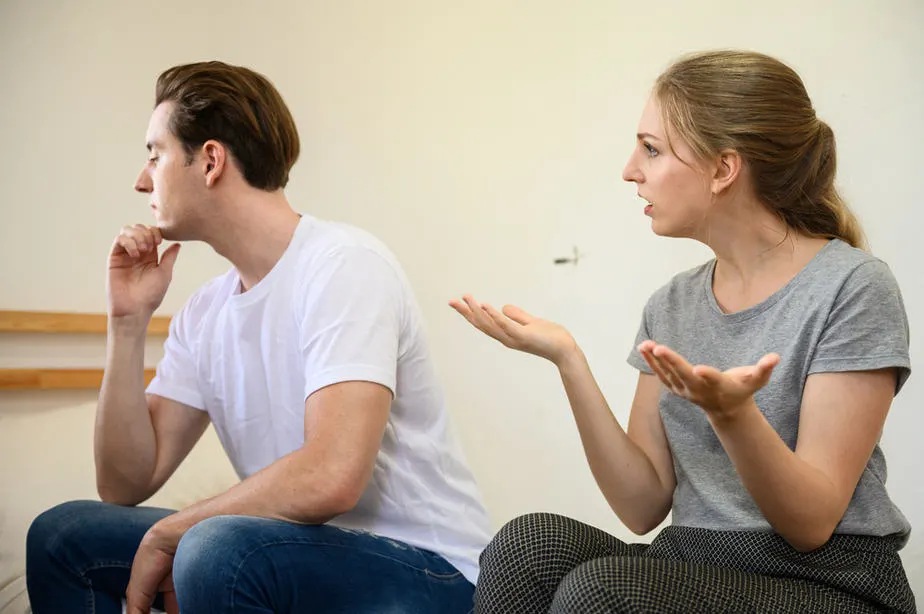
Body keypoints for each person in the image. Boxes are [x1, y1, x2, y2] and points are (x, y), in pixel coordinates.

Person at [450, 50, 916, 613]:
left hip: (830, 584)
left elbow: (811, 523)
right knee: (527, 547)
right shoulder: (671, 305)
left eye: (652, 149)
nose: (630, 170)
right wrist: (568, 360)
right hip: (696, 565)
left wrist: (732, 414)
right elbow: (643, 506)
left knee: (602, 592)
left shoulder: (852, 287)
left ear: (723, 169)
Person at [26, 60, 493, 614]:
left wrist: (175, 530)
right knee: (63, 537)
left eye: (155, 155)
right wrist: (126, 322)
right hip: (289, 551)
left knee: (214, 548)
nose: (142, 180)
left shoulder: (344, 266)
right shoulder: (205, 314)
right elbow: (125, 483)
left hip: (433, 570)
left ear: (210, 161)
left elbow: (331, 476)